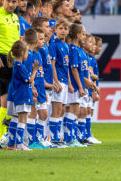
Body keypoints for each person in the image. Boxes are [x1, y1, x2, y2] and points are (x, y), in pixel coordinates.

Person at [0, 0, 20, 146]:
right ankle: (3, 137)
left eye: (14, 1)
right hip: (1, 59)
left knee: (8, 100)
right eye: (8, 0)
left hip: (12, 60)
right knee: (5, 100)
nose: (10, 4)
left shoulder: (15, 17)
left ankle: (3, 136)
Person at [6, 40, 39, 151]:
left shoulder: (18, 65)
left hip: (19, 94)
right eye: (26, 53)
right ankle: (19, 143)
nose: (27, 55)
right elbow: (29, 80)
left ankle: (11, 144)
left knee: (15, 118)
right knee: (23, 119)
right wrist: (35, 70)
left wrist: (32, 89)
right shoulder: (19, 66)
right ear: (22, 53)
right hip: (22, 95)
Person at [23, 28, 49, 149]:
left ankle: (38, 139)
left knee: (43, 114)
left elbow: (40, 72)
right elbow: (29, 74)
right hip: (33, 88)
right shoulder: (28, 55)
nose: (43, 41)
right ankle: (32, 140)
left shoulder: (38, 53)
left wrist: (43, 87)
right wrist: (32, 88)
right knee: (33, 113)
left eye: (44, 38)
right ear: (34, 40)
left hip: (40, 87)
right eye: (40, 39)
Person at [48, 18, 70, 147]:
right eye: (60, 28)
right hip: (59, 81)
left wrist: (70, 83)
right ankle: (53, 138)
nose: (63, 31)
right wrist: (55, 81)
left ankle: (59, 136)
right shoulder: (54, 45)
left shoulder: (66, 46)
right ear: (55, 30)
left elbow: (66, 66)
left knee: (62, 109)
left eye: (65, 29)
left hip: (66, 81)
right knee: (56, 109)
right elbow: (52, 64)